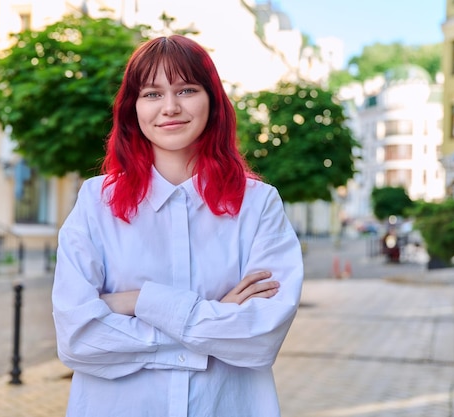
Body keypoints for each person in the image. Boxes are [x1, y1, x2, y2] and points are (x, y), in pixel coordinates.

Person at [52, 35, 303, 417]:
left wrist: (136, 302)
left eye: (186, 89)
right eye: (152, 93)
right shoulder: (95, 202)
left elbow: (259, 338)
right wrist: (214, 319)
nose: (170, 107)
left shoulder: (258, 204)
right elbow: (78, 339)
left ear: (212, 101)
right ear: (132, 108)